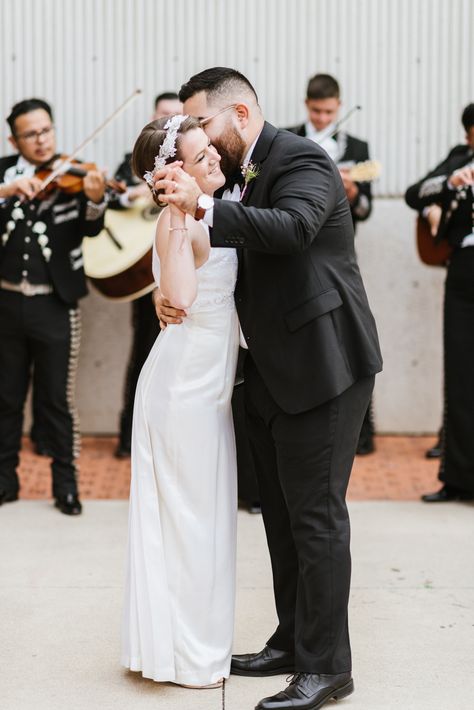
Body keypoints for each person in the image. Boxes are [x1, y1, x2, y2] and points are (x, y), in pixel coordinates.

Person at [154, 67, 382, 710]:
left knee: (316, 521)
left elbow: (294, 229)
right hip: (265, 371)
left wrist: (199, 205)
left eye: (204, 121)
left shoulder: (301, 157)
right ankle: (291, 641)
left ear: (242, 116)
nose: (197, 133)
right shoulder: (239, 170)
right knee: (280, 518)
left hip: (323, 367)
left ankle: (329, 666)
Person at [121, 115, 239, 688]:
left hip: (205, 386)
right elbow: (184, 296)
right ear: (174, 173)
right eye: (199, 157)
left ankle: (190, 644)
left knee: (204, 516)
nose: (214, 158)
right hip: (184, 391)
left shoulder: (213, 208)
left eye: (211, 149)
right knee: (190, 521)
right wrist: (179, 214)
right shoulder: (180, 221)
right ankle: (189, 653)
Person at [0, 98, 107, 515]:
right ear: (15, 139)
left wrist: (96, 199)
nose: (41, 140)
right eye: (31, 134)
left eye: (47, 130)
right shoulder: (5, 173)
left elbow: (92, 227)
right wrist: (7, 190)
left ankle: (65, 485)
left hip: (55, 306)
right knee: (6, 398)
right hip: (6, 302)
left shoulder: (75, 174)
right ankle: (5, 480)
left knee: (57, 400)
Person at [287, 73, 376, 455]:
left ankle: (361, 430)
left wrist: (354, 194)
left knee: (349, 334)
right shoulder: (289, 139)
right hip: (294, 252)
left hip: (338, 256)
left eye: (328, 112)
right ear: (306, 106)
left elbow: (366, 210)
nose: (323, 118)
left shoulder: (356, 146)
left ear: (339, 106)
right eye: (316, 111)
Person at [406, 102, 474, 503]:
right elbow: (417, 193)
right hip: (465, 267)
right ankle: (459, 477)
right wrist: (450, 183)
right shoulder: (460, 159)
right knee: (461, 371)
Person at [112, 92, 182, 459]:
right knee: (144, 352)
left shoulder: (192, 161)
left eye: (176, 115)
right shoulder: (134, 160)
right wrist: (137, 193)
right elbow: (114, 196)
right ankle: (129, 435)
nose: (170, 121)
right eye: (163, 115)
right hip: (145, 275)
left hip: (183, 264)